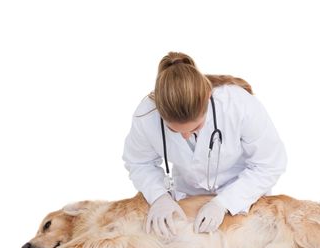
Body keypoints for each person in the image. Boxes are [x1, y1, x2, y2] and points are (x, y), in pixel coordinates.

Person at [122, 51, 287, 237]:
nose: (185, 136)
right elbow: (139, 163)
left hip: (243, 194)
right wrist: (159, 196)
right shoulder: (146, 115)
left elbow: (269, 164)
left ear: (208, 96)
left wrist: (224, 203)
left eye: (196, 127)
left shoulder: (238, 105)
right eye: (174, 131)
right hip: (187, 197)